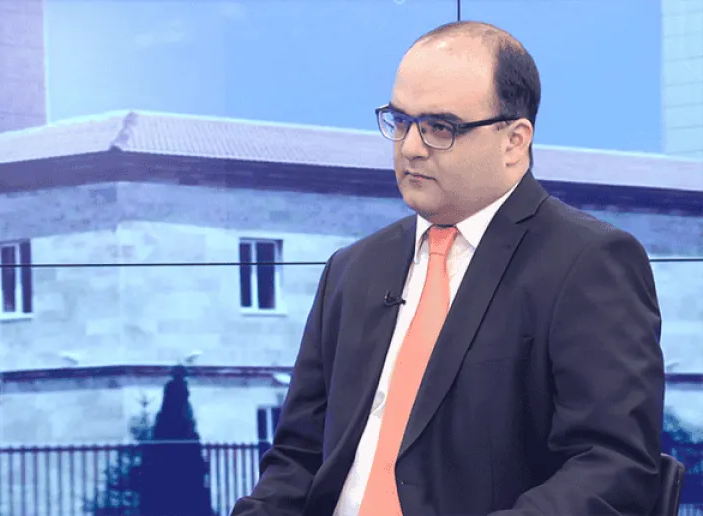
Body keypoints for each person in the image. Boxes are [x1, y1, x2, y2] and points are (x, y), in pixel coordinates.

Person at [231, 20, 665, 516]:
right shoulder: (352, 270)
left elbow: (611, 466)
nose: (410, 147)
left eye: (440, 127)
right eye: (400, 121)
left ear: (514, 141)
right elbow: (297, 457)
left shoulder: (588, 262)